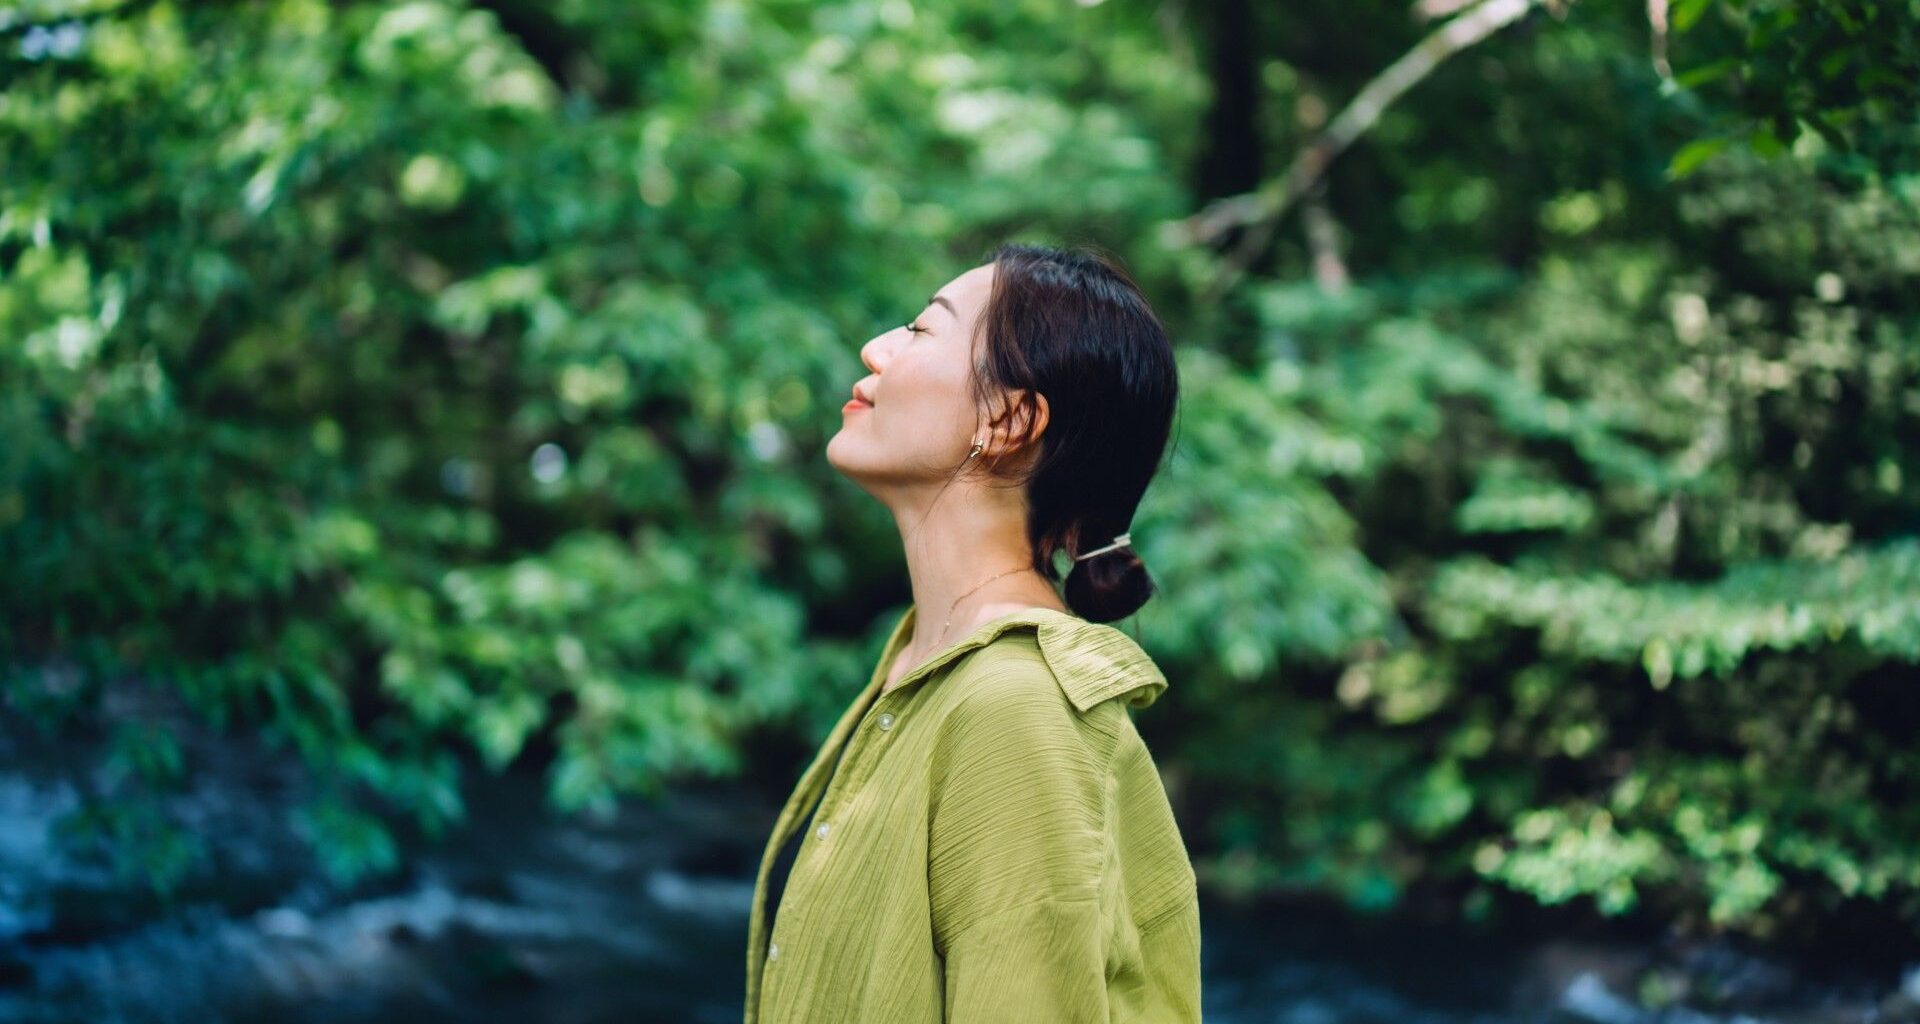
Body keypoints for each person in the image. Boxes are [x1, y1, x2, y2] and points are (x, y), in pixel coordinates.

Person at [742, 242, 1199, 1023]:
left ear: (1011, 418)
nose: (875, 348)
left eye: (921, 330)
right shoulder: (927, 665)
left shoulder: (1015, 708)